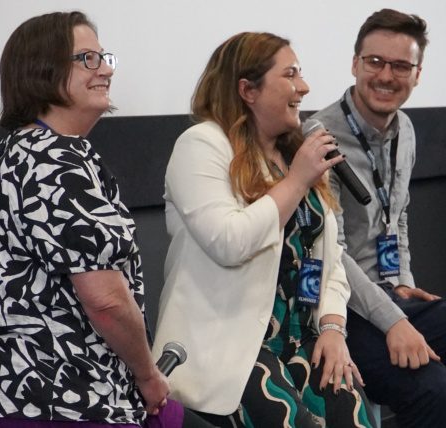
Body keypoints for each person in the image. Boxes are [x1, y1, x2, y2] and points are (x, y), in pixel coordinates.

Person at [0, 11, 184, 427]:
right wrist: (148, 375)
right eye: (88, 59)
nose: (107, 69)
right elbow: (107, 300)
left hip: (21, 397)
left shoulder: (29, 149)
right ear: (43, 70)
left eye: (104, 57)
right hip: (56, 400)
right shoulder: (53, 160)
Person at [306, 8, 446, 428]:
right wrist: (393, 322)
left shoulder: (404, 129)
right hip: (341, 305)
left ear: (418, 73)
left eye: (401, 66)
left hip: (393, 295)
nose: (386, 76)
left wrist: (403, 283)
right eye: (375, 62)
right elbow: (329, 251)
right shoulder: (320, 137)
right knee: (431, 386)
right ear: (355, 64)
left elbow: (398, 215)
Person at [153, 32, 376, 428]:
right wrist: (297, 181)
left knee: (353, 414)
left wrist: (332, 327)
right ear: (247, 90)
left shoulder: (291, 153)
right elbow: (230, 242)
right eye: (290, 75)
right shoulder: (203, 145)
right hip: (231, 348)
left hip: (304, 341)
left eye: (301, 74)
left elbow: (331, 260)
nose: (304, 87)